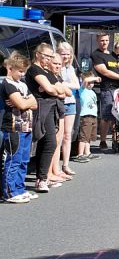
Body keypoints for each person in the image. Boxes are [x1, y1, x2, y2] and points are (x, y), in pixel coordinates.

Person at [28, 43, 68, 193]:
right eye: (47, 56)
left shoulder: (46, 72)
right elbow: (51, 89)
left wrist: (52, 89)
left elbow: (65, 91)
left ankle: (42, 178)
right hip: (41, 108)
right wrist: (52, 89)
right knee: (46, 142)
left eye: (52, 56)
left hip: (51, 108)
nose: (49, 60)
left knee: (49, 142)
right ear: (38, 54)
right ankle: (42, 178)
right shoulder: (34, 69)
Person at [1, 53, 37, 203]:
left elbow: (34, 103)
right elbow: (22, 104)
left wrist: (24, 100)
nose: (22, 74)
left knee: (23, 160)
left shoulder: (22, 85)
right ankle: (9, 192)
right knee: (13, 159)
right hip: (13, 127)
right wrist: (24, 101)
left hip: (26, 126)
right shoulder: (7, 84)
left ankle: (19, 188)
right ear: (10, 68)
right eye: (20, 71)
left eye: (24, 71)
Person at [92, 32, 119, 149]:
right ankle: (103, 141)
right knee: (106, 117)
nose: (104, 43)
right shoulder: (96, 55)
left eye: (106, 40)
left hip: (118, 89)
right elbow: (105, 72)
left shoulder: (113, 55)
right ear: (98, 41)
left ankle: (116, 139)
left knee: (117, 116)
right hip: (107, 89)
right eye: (102, 40)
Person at [48, 54, 72, 182]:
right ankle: (49, 172)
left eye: (59, 64)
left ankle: (56, 170)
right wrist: (59, 90)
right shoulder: (49, 76)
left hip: (60, 108)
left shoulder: (58, 76)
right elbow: (60, 92)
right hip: (52, 109)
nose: (57, 66)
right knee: (52, 142)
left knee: (58, 140)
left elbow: (67, 92)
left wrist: (59, 90)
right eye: (55, 63)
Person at [57, 42, 80, 176]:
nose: (65, 56)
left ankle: (65, 164)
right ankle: (56, 167)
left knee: (67, 135)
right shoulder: (55, 67)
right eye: (63, 53)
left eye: (68, 54)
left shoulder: (70, 68)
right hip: (60, 102)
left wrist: (64, 84)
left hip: (70, 102)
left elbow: (77, 85)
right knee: (58, 137)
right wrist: (68, 85)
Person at [75, 73, 102, 162]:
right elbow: (86, 80)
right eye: (90, 82)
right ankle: (80, 154)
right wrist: (94, 78)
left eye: (93, 82)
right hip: (85, 116)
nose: (91, 84)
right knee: (84, 136)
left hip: (93, 115)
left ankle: (87, 152)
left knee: (89, 136)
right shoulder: (82, 90)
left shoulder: (93, 92)